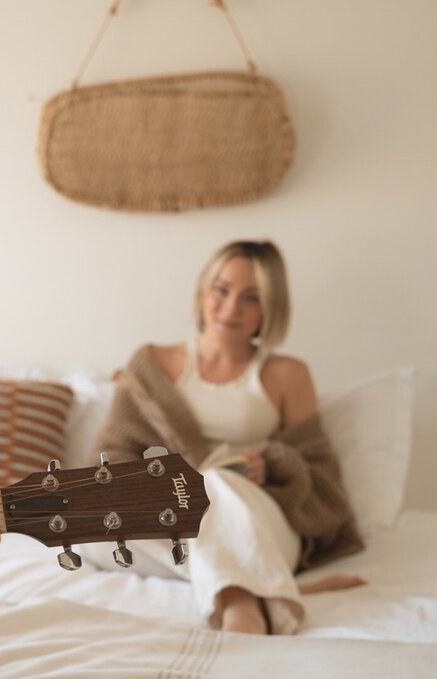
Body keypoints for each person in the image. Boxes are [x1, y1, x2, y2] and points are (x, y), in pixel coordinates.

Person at [84, 240, 364, 635]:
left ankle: (238, 606)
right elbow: (109, 460)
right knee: (86, 532)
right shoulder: (150, 365)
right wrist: (164, 481)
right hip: (172, 515)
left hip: (254, 516)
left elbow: (323, 482)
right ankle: (269, 585)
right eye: (222, 290)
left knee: (218, 484)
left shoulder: (288, 374)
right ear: (202, 291)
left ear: (271, 308)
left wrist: (272, 461)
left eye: (252, 297)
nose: (232, 308)